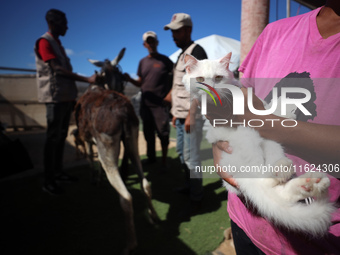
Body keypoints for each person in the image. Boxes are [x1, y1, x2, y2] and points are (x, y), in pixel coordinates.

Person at [210, 1, 340, 254]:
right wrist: (219, 143)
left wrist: (269, 124)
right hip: (245, 217)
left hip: (320, 242)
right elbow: (236, 105)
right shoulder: (274, 32)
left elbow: (252, 115)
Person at [35, 9, 96, 195]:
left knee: (61, 137)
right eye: (64, 23)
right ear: (53, 23)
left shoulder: (58, 44)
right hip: (54, 99)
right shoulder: (45, 42)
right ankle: (48, 180)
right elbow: (57, 70)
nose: (67, 26)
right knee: (53, 138)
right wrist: (87, 80)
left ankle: (58, 173)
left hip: (65, 98)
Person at [163, 13, 208, 218]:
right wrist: (176, 114)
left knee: (192, 158)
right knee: (182, 154)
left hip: (192, 116)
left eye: (177, 30)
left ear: (188, 30)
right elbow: (179, 86)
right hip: (180, 115)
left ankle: (196, 199)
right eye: (172, 31)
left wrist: (191, 115)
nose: (173, 35)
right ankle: (189, 186)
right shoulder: (181, 54)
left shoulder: (196, 51)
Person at [124, 31, 173, 168]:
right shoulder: (142, 62)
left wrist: (170, 95)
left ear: (157, 43)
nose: (151, 44)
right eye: (148, 42)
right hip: (145, 104)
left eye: (153, 41)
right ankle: (151, 158)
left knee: (163, 133)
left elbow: (177, 79)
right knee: (148, 134)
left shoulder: (165, 61)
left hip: (160, 105)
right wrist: (129, 79)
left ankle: (164, 161)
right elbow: (140, 82)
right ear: (144, 44)